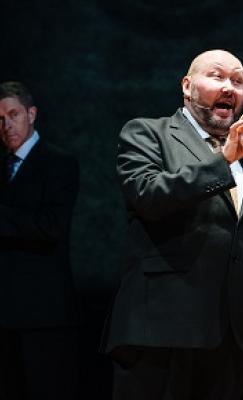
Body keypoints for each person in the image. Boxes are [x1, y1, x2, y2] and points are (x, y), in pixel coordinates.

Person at [101, 49, 243, 400]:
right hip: (161, 332)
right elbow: (149, 196)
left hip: (231, 338)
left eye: (237, 81)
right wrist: (221, 162)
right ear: (187, 86)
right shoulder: (147, 133)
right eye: (217, 76)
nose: (229, 87)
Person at [0, 81, 80, 400]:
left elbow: (51, 227)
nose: (6, 124)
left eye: (13, 114)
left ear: (31, 114)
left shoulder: (59, 164)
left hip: (42, 312)